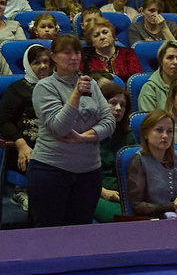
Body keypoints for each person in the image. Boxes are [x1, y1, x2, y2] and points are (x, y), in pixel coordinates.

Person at [27, 32, 114, 227]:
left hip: (89, 171)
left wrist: (84, 138)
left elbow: (109, 121)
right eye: (67, 53)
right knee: (50, 233)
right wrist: (75, 95)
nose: (74, 57)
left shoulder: (91, 84)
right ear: (54, 57)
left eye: (77, 52)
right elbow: (60, 127)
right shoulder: (44, 87)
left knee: (80, 232)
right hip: (51, 171)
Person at [122, 110, 177, 219]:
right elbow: (138, 206)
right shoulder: (139, 161)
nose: (165, 135)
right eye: (159, 130)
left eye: (170, 131)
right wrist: (172, 206)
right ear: (146, 134)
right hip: (157, 220)